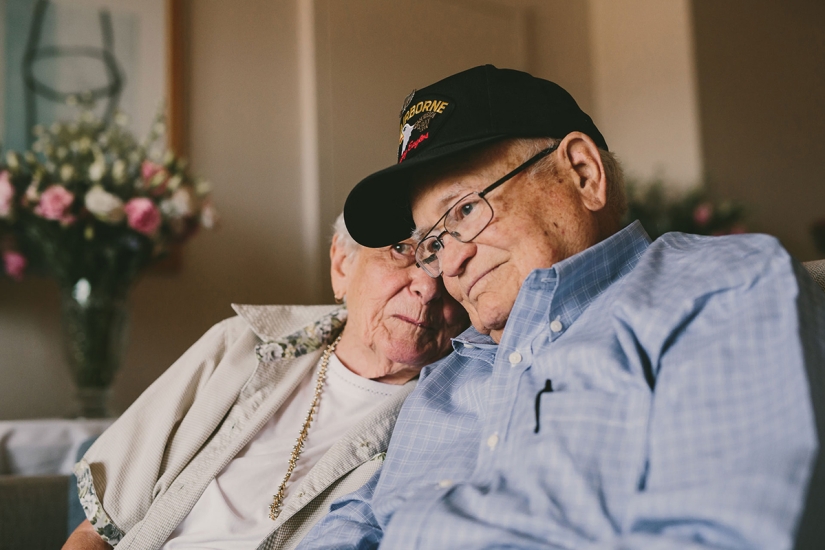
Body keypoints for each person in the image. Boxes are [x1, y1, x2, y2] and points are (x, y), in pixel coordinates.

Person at [297, 65, 825, 548]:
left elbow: (725, 532)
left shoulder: (715, 288)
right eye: (432, 242)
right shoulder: (449, 374)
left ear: (582, 173)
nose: (448, 263)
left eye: (464, 211)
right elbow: (358, 521)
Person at [62, 213, 468, 550]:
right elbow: (97, 534)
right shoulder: (237, 344)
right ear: (342, 265)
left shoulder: (461, 417)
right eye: (401, 250)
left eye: (447, 262)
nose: (428, 286)